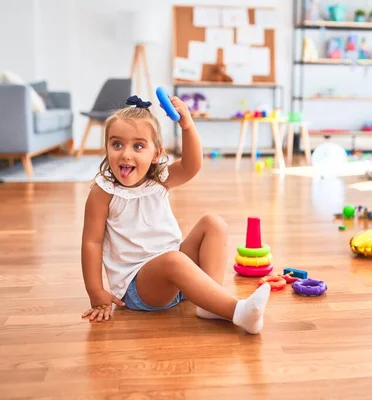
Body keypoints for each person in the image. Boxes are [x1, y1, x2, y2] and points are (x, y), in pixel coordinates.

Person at [80, 95, 271, 334]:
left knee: (213, 223)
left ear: (156, 154)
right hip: (139, 287)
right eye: (117, 144)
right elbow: (91, 242)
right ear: (107, 147)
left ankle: (211, 303)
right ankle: (236, 311)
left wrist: (187, 125)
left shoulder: (159, 180)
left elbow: (192, 165)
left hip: (174, 270)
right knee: (173, 260)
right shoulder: (103, 192)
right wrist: (95, 291)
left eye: (138, 146)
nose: (126, 154)